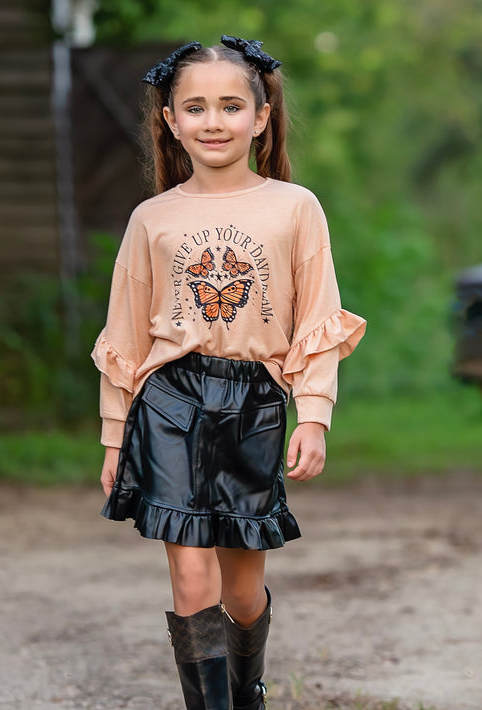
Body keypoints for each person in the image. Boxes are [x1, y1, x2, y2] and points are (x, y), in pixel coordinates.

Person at [91, 35, 366, 710]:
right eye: (195, 107)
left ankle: (247, 692)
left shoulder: (294, 208)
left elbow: (317, 321)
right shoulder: (150, 219)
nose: (212, 121)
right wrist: (112, 432)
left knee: (241, 590)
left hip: (254, 404)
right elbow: (124, 336)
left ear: (260, 115)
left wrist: (315, 415)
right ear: (170, 120)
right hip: (169, 403)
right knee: (191, 580)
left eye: (229, 106)